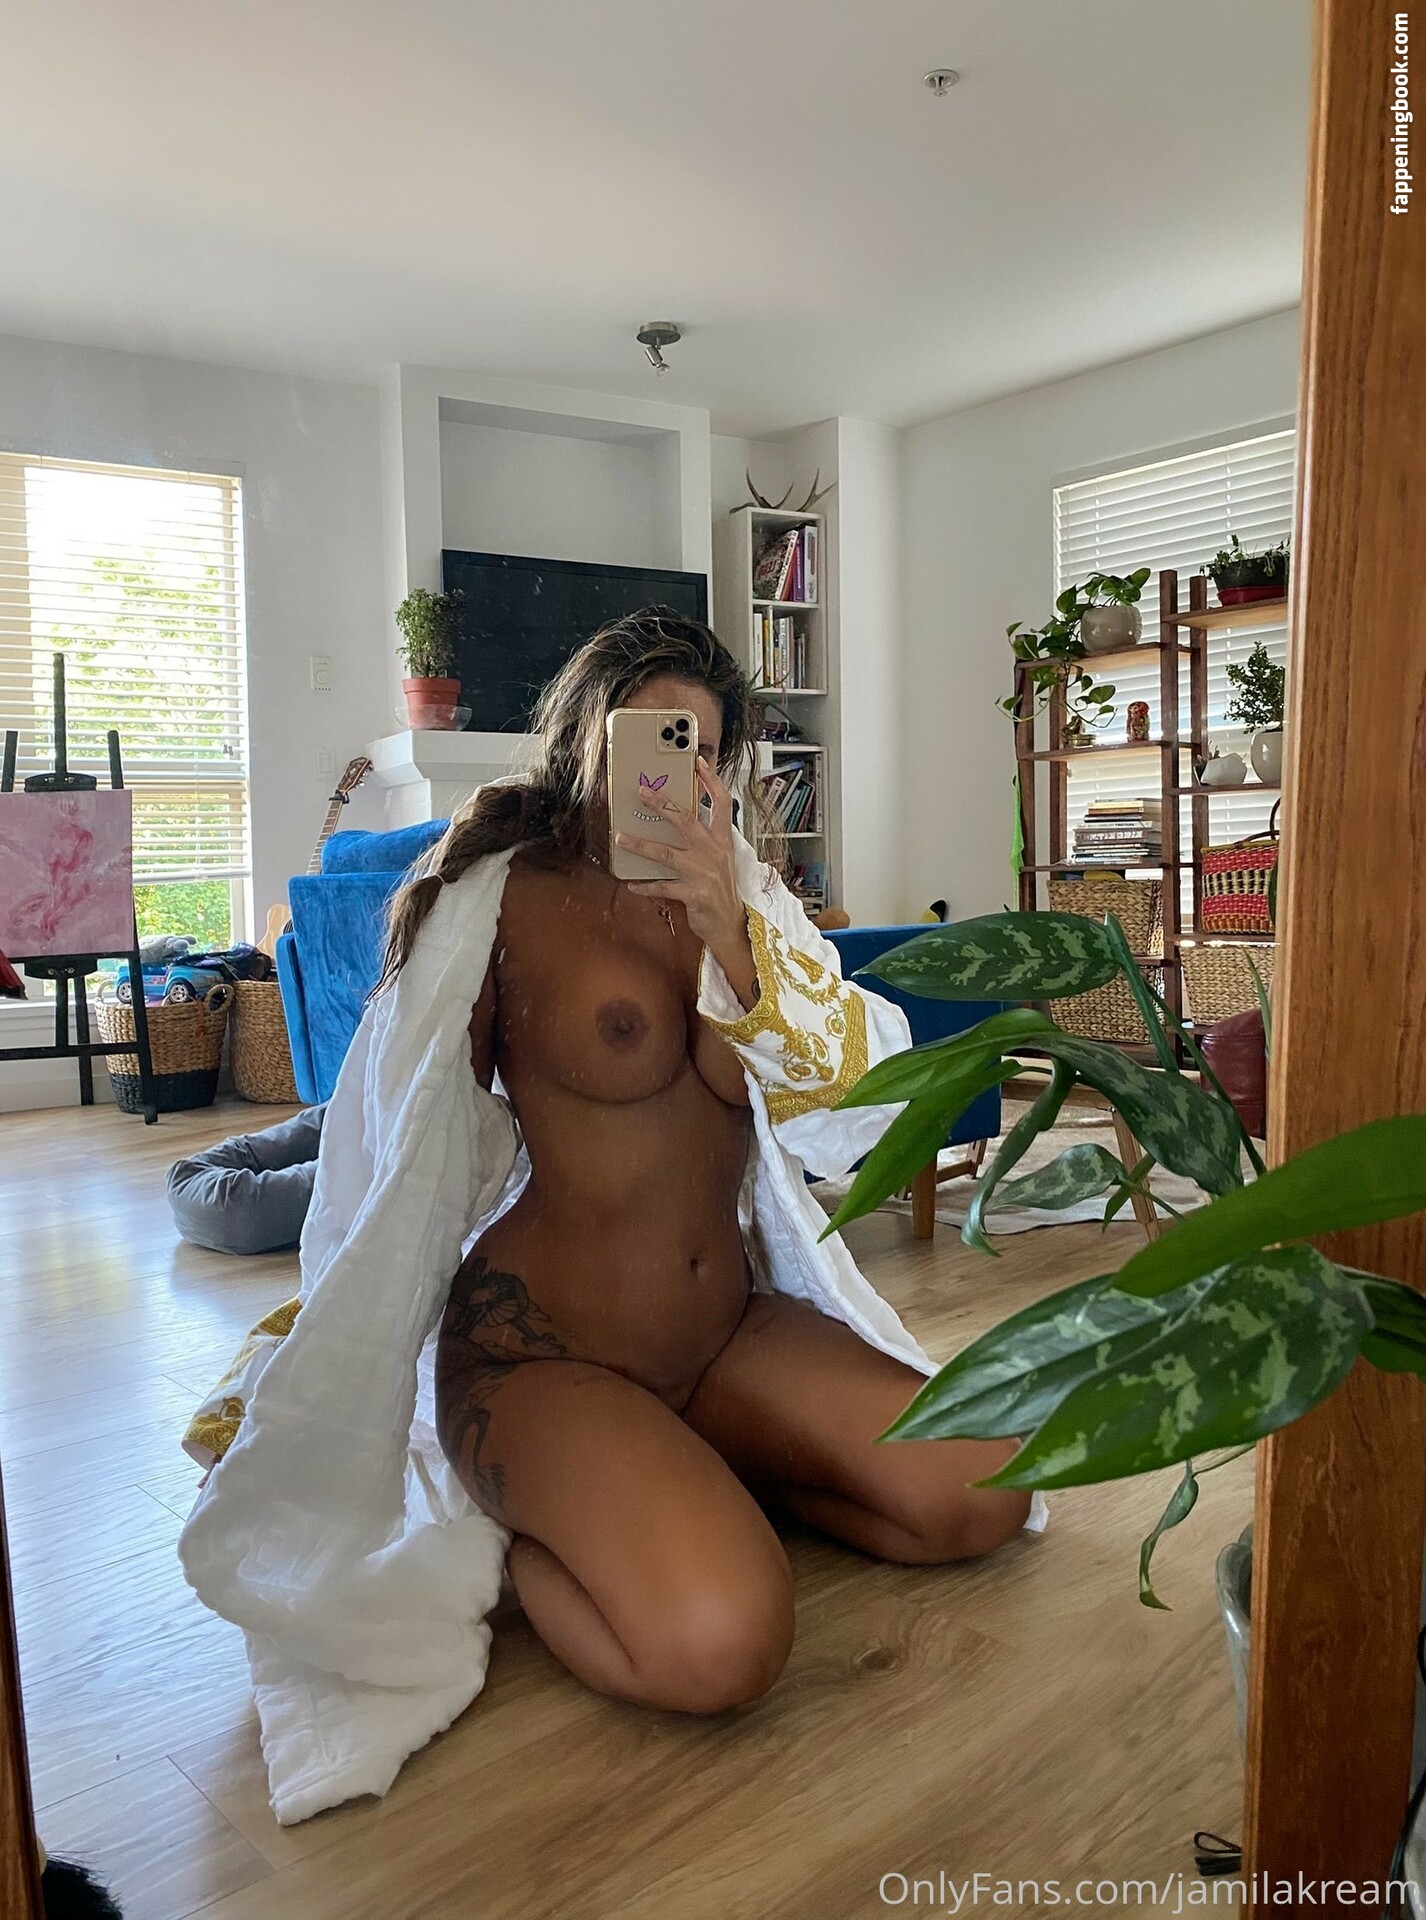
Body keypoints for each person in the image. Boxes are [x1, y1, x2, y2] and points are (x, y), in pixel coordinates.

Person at [179, 608, 1041, 1824]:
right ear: (586, 731)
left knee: (985, 1491)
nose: (672, 770)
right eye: (650, 733)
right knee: (723, 1647)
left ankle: (693, 1483)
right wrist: (338, 1346)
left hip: (722, 1336)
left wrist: (732, 935)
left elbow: (858, 1105)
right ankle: (543, 1547)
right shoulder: (497, 897)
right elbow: (402, 1132)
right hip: (544, 1354)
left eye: (702, 747)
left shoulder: (746, 897)